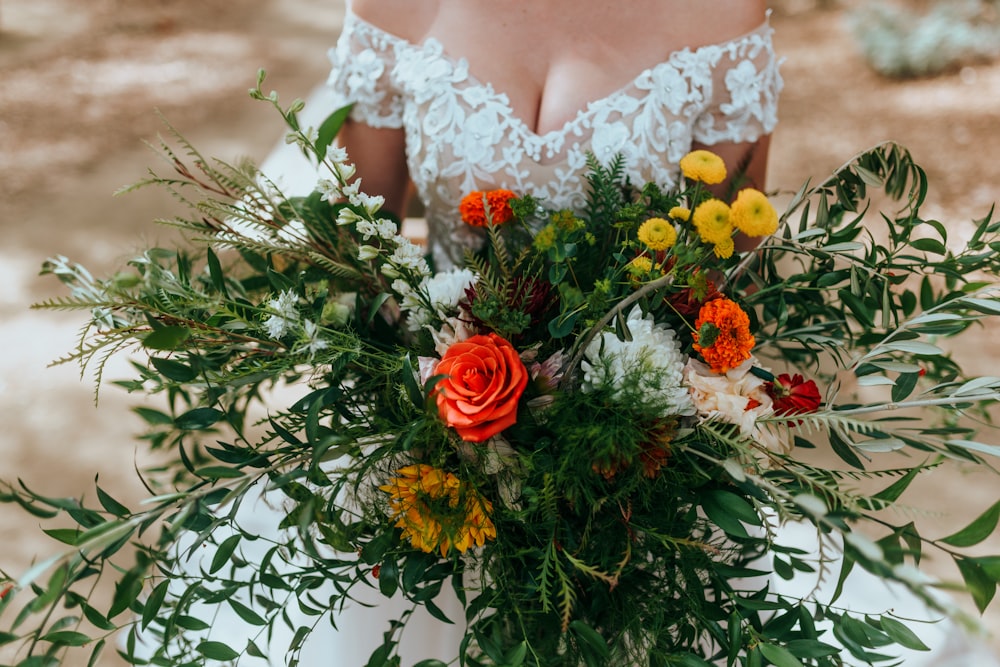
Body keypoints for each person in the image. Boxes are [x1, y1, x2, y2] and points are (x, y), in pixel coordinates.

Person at [186, 0, 999, 664]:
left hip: (633, 472)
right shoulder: (400, 6)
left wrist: (630, 416)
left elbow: (720, 279)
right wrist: (424, 382)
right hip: (428, 457)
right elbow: (356, 253)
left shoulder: (719, 16)